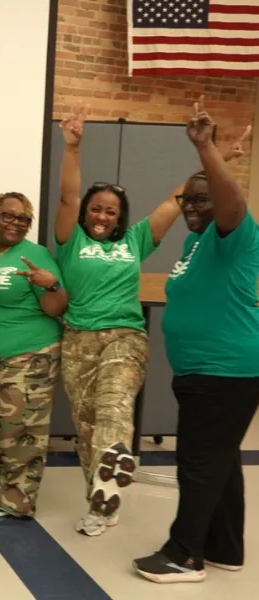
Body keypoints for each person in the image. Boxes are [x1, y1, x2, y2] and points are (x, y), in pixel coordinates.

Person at [133, 108, 259, 584]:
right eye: (187, 199)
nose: (191, 207)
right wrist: (205, 170)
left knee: (198, 464)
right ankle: (226, 547)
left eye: (200, 200)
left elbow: (231, 206)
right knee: (221, 461)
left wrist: (206, 148)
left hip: (225, 372)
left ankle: (185, 555)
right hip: (203, 373)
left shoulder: (235, 235)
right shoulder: (195, 244)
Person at [54, 103, 183, 537]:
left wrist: (207, 159)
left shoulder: (135, 240)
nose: (102, 216)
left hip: (124, 336)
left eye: (111, 211)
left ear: (120, 217)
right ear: (86, 211)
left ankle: (115, 455)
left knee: (113, 403)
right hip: (77, 340)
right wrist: (73, 148)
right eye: (96, 208)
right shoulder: (68, 241)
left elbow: (173, 202)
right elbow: (68, 196)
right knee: (86, 424)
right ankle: (101, 501)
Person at [0, 192, 68, 519]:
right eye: (7, 216)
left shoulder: (36, 254)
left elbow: (56, 307)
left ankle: (16, 501)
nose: (14, 223)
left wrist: (51, 285)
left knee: (19, 431)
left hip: (29, 354)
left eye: (23, 219)